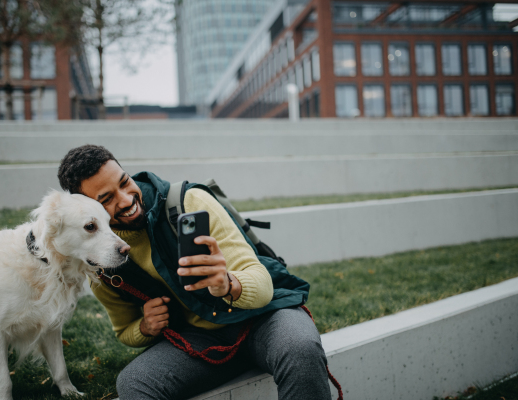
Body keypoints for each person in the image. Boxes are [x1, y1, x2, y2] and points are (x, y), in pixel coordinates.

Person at [57, 144, 332, 400]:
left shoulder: (190, 201)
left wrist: (229, 284)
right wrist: (145, 327)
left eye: (124, 182)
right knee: (134, 383)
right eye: (106, 198)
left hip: (263, 318)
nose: (127, 199)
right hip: (199, 341)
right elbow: (123, 330)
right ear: (86, 208)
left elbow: (261, 285)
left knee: (300, 348)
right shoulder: (98, 259)